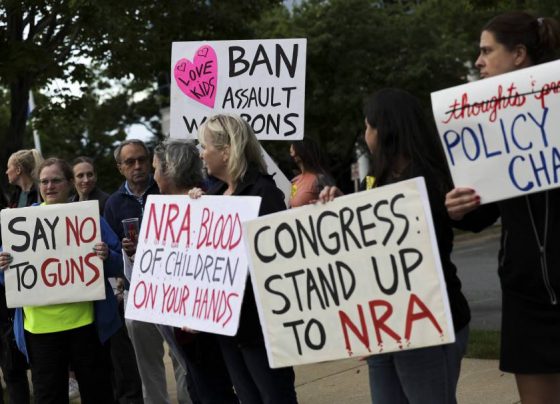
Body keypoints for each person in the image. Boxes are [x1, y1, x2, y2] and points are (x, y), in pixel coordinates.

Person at [319, 88, 470, 404]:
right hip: (384, 327)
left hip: (427, 322)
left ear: (383, 129)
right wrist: (343, 208)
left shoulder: (433, 179)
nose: (365, 134)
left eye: (367, 126)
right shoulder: (376, 180)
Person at [445, 11, 560, 404]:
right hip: (524, 293)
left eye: (486, 51)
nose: (478, 61)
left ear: (518, 54)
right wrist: (459, 208)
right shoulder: (483, 127)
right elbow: (484, 213)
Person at [190, 114, 298, 404]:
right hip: (227, 323)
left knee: (274, 396)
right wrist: (196, 210)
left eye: (204, 146)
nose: (201, 154)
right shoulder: (213, 195)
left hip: (259, 325)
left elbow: (278, 260)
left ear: (226, 151)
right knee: (248, 397)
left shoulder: (263, 193)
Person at [0, 157, 122, 404]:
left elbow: (119, 264)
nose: (49, 186)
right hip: (40, 331)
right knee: (49, 397)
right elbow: (7, 278)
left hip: (86, 327)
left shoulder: (88, 218)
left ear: (69, 183)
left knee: (98, 394)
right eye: (44, 181)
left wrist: (107, 256)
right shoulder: (22, 222)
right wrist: (3, 266)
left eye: (56, 180)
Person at [124, 138, 237, 404]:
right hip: (182, 328)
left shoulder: (206, 203)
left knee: (214, 392)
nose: (153, 175)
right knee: (200, 389)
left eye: (155, 168)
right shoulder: (164, 211)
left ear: (170, 170)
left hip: (205, 328)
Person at [104, 139, 183, 404]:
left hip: (174, 286)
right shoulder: (113, 204)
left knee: (182, 355)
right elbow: (112, 253)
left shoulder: (167, 189)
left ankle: (188, 400)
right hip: (137, 291)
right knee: (146, 362)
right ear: (120, 167)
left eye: (141, 159)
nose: (137, 166)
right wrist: (124, 252)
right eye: (130, 162)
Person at [0, 148, 44, 404]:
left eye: (8, 167)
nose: (6, 172)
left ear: (18, 169)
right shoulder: (15, 198)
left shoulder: (40, 194)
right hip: (19, 282)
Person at [288, 138, 334, 208]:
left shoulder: (320, 179)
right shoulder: (295, 181)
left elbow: (335, 203)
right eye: (291, 152)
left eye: (294, 151)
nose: (292, 155)